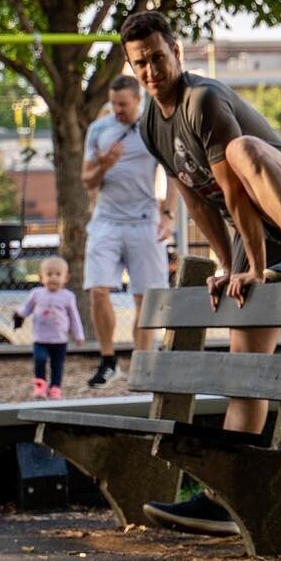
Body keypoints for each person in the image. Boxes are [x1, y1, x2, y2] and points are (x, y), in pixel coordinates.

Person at [119, 9, 281, 536]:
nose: (150, 71)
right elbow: (198, 201)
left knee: (242, 149)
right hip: (253, 232)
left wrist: (258, 267)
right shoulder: (151, 122)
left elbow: (236, 190)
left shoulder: (204, 100)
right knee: (248, 367)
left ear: (176, 51)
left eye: (156, 57)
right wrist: (226, 265)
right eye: (139, 64)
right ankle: (227, 500)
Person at [81, 74, 176, 388]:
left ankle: (142, 363)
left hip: (144, 220)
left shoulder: (154, 127)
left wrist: (168, 215)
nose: (117, 110)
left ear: (138, 100)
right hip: (106, 220)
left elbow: (174, 173)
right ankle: (108, 360)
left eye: (123, 104)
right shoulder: (99, 129)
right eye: (113, 103)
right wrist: (105, 164)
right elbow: (87, 181)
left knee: (145, 298)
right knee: (98, 289)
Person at [14, 256, 84, 400]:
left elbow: (74, 316)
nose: (53, 277)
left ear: (66, 278)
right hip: (40, 338)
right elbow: (27, 308)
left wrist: (78, 334)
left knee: (57, 365)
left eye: (58, 274)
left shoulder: (68, 296)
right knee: (39, 359)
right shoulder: (36, 293)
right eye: (49, 274)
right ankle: (40, 386)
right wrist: (19, 314)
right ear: (41, 277)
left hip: (59, 340)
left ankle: (55, 388)